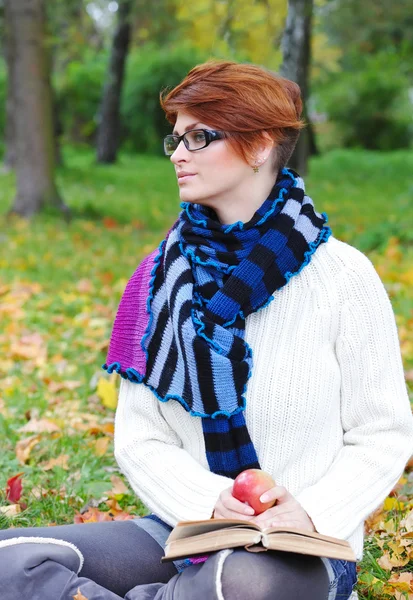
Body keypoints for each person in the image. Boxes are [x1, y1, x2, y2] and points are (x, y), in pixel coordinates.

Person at [1, 59, 412, 600]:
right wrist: (208, 504)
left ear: (261, 144)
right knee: (12, 562)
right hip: (186, 531)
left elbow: (382, 432)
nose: (177, 154)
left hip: (304, 547)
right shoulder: (156, 281)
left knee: (244, 586)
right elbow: (141, 437)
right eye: (175, 139)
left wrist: (309, 512)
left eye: (199, 138)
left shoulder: (343, 277)